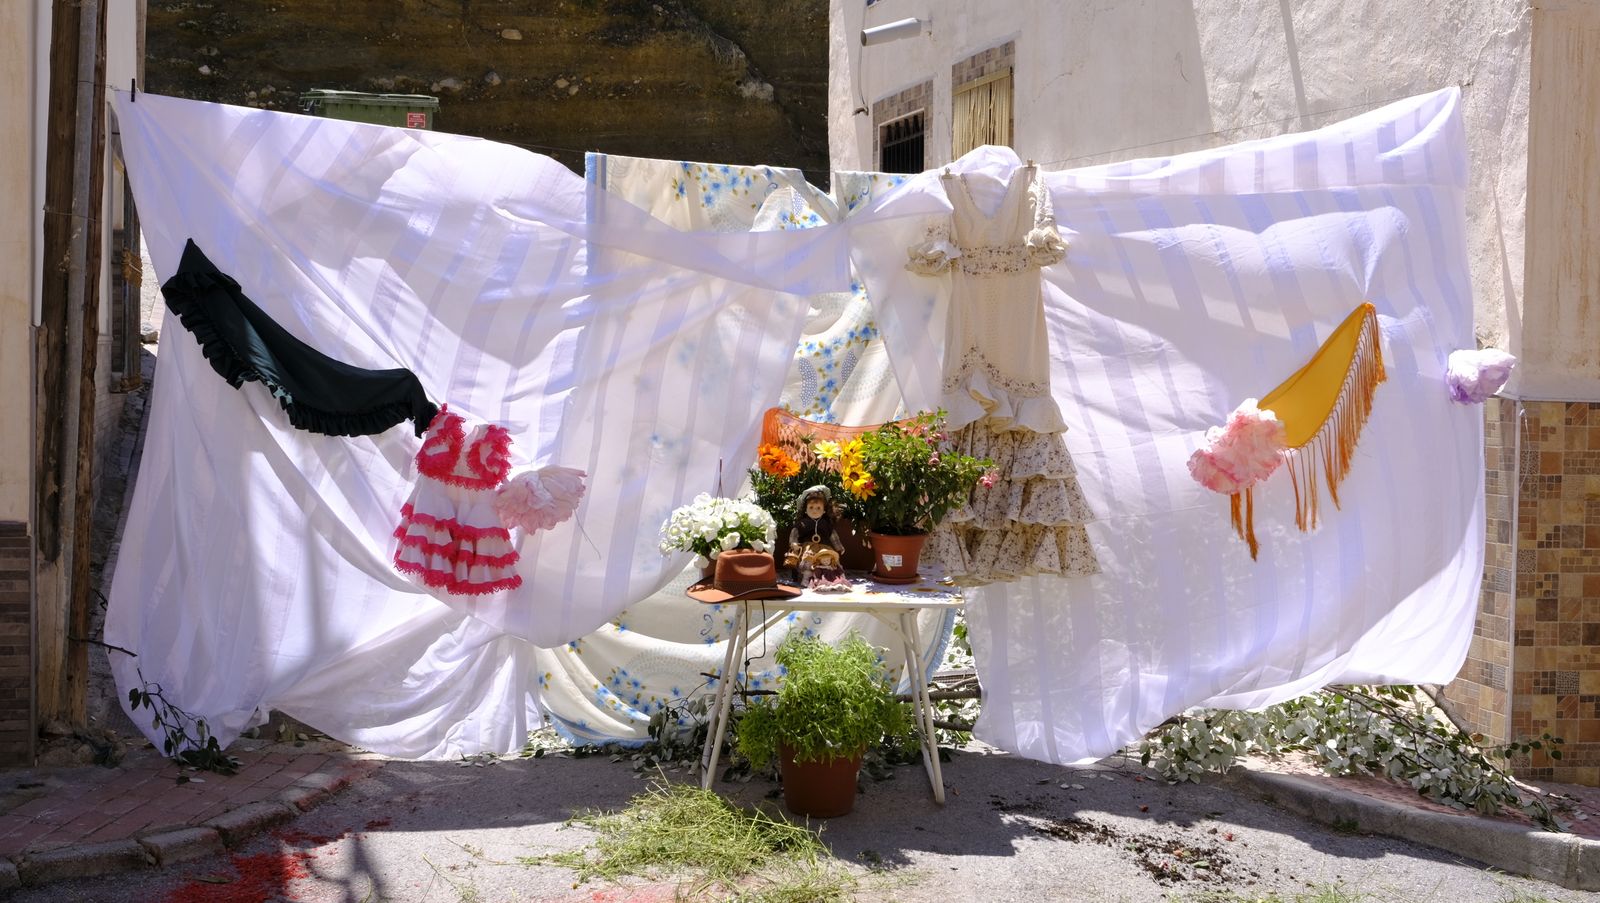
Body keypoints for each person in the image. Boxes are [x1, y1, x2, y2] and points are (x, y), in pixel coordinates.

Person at [784, 484, 845, 582]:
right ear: (805, 509)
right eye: (811, 507)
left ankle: (827, 576)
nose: (814, 511)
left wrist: (839, 547)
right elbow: (795, 533)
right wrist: (793, 543)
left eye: (818, 508)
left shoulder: (826, 523)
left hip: (824, 549)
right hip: (808, 548)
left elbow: (833, 536)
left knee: (828, 560)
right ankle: (807, 577)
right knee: (808, 560)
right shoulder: (803, 523)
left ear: (824, 510)